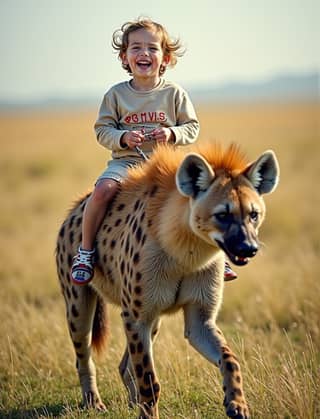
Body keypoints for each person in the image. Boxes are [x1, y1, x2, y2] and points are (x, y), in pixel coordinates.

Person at [71, 17, 237, 285]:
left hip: (166, 166)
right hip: (127, 163)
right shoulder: (115, 95)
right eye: (135, 48)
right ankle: (86, 252)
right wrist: (123, 137)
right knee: (102, 192)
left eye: (152, 48)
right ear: (124, 57)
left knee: (200, 199)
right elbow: (102, 131)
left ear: (166, 58)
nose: (144, 53)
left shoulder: (175, 93)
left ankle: (219, 258)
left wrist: (172, 133)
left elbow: (192, 127)